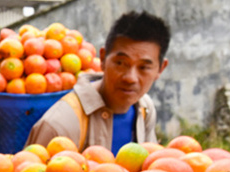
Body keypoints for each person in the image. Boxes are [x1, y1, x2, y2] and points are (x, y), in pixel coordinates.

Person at [25, 11, 170, 154]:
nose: (130, 78)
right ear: (103, 59)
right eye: (120, 63)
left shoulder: (144, 108)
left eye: (143, 67)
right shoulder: (60, 125)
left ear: (160, 69)